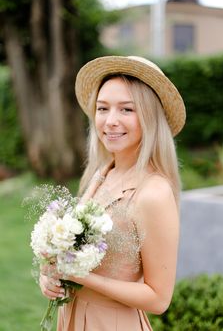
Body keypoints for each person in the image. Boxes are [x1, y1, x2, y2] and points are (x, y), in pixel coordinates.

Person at [39, 55, 186, 330]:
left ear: (150, 118)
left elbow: (158, 299)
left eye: (126, 110)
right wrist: (51, 275)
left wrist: (81, 276)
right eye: (103, 108)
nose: (110, 121)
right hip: (72, 318)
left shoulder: (153, 193)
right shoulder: (102, 173)